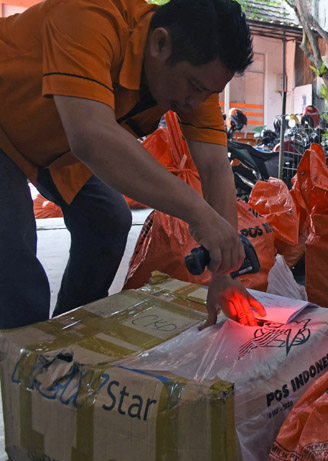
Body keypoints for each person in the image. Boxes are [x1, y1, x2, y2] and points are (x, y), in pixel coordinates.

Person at [0, 0, 265, 330]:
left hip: (52, 145)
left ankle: (68, 336)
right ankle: (18, 352)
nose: (195, 103)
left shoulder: (195, 79)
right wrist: (199, 215)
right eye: (194, 87)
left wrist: (224, 273)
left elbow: (214, 167)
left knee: (108, 220)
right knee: (15, 273)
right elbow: (91, 136)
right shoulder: (89, 15)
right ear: (160, 43)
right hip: (7, 129)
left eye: (208, 93)